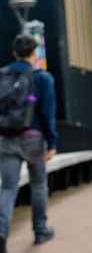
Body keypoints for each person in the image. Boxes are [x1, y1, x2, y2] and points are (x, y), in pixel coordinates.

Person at [0, 35, 57, 252]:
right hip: (33, 138)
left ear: (14, 53)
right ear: (34, 54)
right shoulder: (42, 78)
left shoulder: (2, 75)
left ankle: (2, 230)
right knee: (38, 185)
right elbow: (48, 113)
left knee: (7, 188)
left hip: (6, 138)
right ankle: (40, 231)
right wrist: (52, 142)